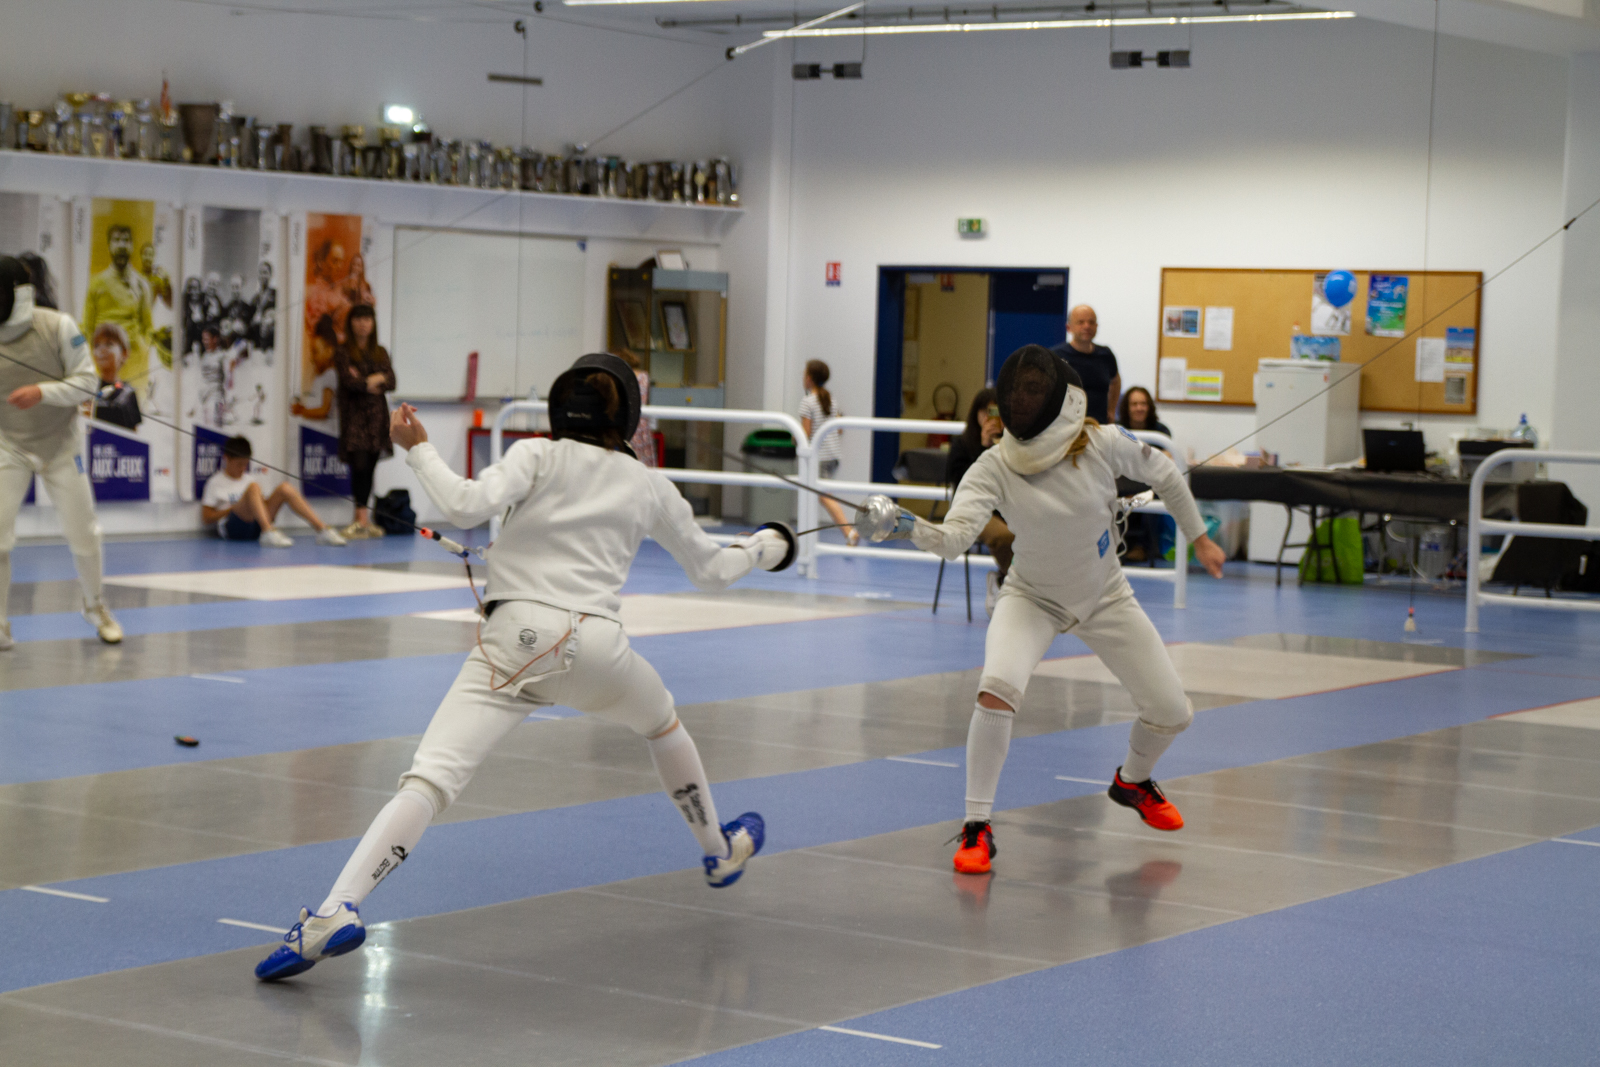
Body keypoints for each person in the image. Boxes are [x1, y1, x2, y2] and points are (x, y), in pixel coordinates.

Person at [253, 352, 793, 982]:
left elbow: (461, 505)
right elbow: (714, 571)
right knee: (662, 723)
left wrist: (418, 448)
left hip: (513, 645)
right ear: (626, 416)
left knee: (429, 780)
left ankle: (335, 910)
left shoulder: (536, 455)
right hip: (600, 651)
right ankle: (719, 852)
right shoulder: (648, 484)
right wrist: (768, 545)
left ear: (560, 409)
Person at [861, 346, 1225, 874]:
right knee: (996, 690)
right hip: (1031, 596)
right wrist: (905, 524)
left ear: (1057, 399)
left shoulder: (1101, 441)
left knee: (1172, 711)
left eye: (1034, 392)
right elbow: (953, 540)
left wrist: (1201, 538)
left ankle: (1132, 781)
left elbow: (1165, 473)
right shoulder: (993, 466)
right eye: (1019, 394)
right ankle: (976, 826)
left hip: (1105, 594)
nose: (1024, 401)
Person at [0, 256, 123, 649]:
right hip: (9, 445)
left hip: (61, 443)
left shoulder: (57, 326)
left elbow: (88, 382)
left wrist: (42, 392)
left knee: (84, 533)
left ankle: (95, 606)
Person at [200, 435, 346, 548]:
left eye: (245, 464)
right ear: (226, 458)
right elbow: (206, 518)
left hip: (256, 526)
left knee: (285, 488)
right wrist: (232, 509)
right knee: (254, 488)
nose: (242, 468)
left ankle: (322, 530)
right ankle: (269, 531)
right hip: (233, 528)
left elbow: (261, 505)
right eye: (239, 464)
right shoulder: (216, 482)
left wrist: (257, 506)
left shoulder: (249, 478)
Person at [943, 387, 1013, 616]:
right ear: (976, 414)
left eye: (997, 412)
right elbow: (961, 482)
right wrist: (984, 448)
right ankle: (1010, 583)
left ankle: (1006, 581)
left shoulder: (1012, 445)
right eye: (986, 412)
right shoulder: (962, 445)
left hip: (1007, 507)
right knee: (1004, 537)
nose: (991, 418)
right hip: (975, 510)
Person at [333, 304, 394, 539]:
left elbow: (392, 381)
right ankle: (358, 519)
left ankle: (364, 521)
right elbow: (350, 382)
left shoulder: (380, 351)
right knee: (358, 466)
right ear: (351, 323)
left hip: (377, 417)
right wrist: (375, 379)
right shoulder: (343, 351)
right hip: (354, 417)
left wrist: (367, 380)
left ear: (373, 323)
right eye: (358, 319)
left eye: (367, 319)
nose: (363, 324)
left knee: (370, 466)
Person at [80, 224, 154, 396]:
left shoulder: (142, 284)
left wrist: (142, 349)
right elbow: (87, 327)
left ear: (132, 246)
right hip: (104, 363)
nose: (121, 245)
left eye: (126, 240)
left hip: (134, 361)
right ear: (109, 245)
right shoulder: (97, 283)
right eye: (117, 240)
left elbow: (148, 327)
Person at [798, 359, 856, 545]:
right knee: (819, 494)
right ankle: (809, 535)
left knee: (824, 496)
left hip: (820, 457)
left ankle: (849, 532)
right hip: (833, 456)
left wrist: (794, 439)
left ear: (809, 378)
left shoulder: (808, 402)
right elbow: (839, 429)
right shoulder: (831, 400)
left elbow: (805, 433)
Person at [1115, 386, 1172, 563]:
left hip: (1150, 487)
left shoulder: (1161, 431)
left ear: (1149, 407)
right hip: (1121, 486)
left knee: (1154, 497)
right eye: (1134, 404)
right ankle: (1114, 546)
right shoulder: (1116, 429)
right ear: (1127, 407)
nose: (1139, 408)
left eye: (1143, 404)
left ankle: (1142, 547)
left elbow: (1167, 458)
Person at [1050, 304, 1119, 425]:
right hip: (1066, 427)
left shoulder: (1106, 354)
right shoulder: (1056, 356)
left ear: (1096, 326)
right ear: (1069, 327)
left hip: (1099, 425)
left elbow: (1116, 381)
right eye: (1080, 322)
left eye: (1091, 322)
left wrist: (1112, 409)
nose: (1087, 326)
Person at [88, 323, 141, 431]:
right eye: (97, 345)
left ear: (124, 353)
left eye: (109, 344)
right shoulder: (89, 388)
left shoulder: (129, 393)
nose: (102, 349)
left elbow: (133, 433)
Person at [615, 349, 654, 466]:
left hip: (625, 423)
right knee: (643, 460)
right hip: (642, 425)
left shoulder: (619, 376)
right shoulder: (644, 377)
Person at [248, 261, 276, 353]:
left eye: (265, 272)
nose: (263, 276)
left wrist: (270, 320)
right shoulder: (254, 299)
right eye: (261, 273)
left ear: (270, 275)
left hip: (271, 343)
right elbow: (250, 322)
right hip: (257, 344)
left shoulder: (276, 294)